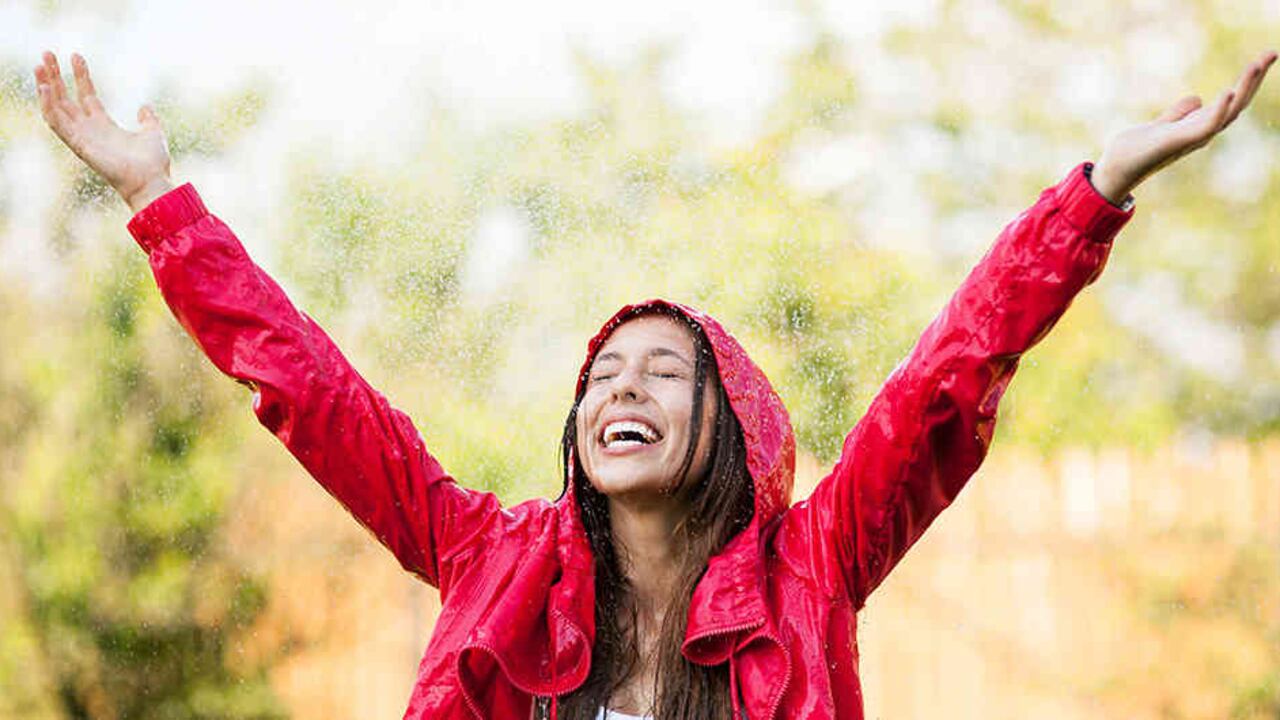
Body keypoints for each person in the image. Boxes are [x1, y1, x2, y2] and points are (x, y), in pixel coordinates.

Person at [33, 48, 1275, 720]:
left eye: (661, 371)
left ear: (732, 425)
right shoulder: (488, 562)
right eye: (601, 375)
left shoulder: (814, 568)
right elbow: (311, 394)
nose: (617, 391)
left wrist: (1093, 192)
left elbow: (946, 379)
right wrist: (157, 199)